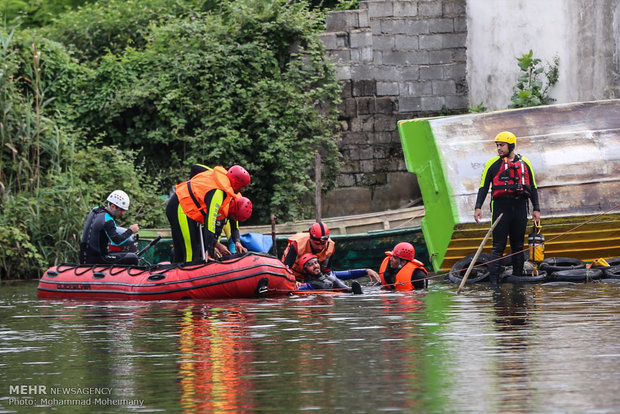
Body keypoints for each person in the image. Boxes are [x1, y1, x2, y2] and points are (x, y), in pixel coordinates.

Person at [474, 131, 540, 284]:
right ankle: (494, 282)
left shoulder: (525, 163)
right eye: (497, 145)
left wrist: (536, 208)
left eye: (501, 145)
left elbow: (533, 187)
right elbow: (483, 187)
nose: (498, 148)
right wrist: (478, 207)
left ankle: (518, 279)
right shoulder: (492, 164)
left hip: (519, 208)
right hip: (500, 209)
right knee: (498, 246)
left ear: (511, 145)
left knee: (518, 245)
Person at [166, 165, 251, 263]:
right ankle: (188, 276)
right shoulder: (218, 193)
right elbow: (209, 223)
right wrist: (210, 250)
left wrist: (237, 242)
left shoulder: (234, 197)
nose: (243, 190)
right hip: (180, 206)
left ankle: (177, 271)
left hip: (190, 211)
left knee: (186, 251)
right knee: (191, 251)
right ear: (236, 183)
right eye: (243, 187)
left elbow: (234, 226)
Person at [79, 190, 140, 265]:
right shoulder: (108, 219)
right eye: (122, 210)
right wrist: (130, 231)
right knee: (133, 257)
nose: (123, 213)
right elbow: (117, 241)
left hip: (84, 257)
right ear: (112, 206)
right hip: (98, 259)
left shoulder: (95, 210)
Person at [296, 253, 364, 294]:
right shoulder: (309, 285)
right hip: (333, 298)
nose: (315, 266)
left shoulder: (330, 274)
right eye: (310, 265)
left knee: (333, 279)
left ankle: (351, 290)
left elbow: (350, 274)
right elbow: (296, 289)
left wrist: (366, 271)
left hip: (349, 292)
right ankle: (351, 290)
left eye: (316, 262)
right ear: (305, 270)